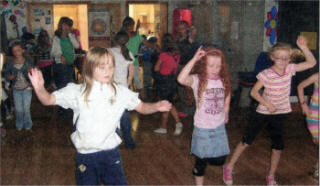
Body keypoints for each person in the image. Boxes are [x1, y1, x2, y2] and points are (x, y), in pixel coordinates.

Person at [28, 46, 172, 185]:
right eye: (102, 67)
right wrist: (40, 89)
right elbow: (48, 100)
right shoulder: (77, 92)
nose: (107, 71)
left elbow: (141, 107)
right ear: (90, 68)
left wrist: (156, 106)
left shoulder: (120, 92)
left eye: (110, 67)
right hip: (86, 156)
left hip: (111, 154)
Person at [223, 36, 317, 186]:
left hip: (280, 112)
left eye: (286, 59)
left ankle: (271, 176)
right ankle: (229, 167)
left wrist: (304, 47)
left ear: (290, 59)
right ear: (272, 58)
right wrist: (267, 103)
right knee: (247, 141)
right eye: (279, 58)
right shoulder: (266, 74)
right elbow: (253, 92)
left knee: (277, 146)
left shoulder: (290, 69)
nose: (283, 62)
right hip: (263, 112)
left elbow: (312, 63)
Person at [177, 46, 232, 185]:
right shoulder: (197, 80)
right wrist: (195, 59)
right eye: (211, 65)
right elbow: (181, 79)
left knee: (220, 160)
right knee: (201, 160)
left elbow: (227, 93)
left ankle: (202, 158)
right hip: (203, 127)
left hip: (219, 127)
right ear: (203, 65)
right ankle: (198, 173)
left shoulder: (223, 80)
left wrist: (226, 110)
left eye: (218, 66)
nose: (215, 69)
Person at [108, 31, 136, 149]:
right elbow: (131, 72)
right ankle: (129, 142)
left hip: (109, 88)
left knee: (109, 115)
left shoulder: (109, 52)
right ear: (127, 41)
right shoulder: (128, 53)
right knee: (124, 115)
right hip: (123, 88)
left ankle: (112, 141)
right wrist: (127, 85)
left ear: (114, 39)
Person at [153, 33, 182, 135]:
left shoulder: (163, 55)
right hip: (172, 80)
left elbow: (156, 68)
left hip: (164, 81)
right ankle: (178, 123)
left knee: (165, 104)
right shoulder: (177, 54)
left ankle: (164, 127)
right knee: (170, 103)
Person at [51, 17, 79, 118]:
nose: (68, 27)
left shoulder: (70, 36)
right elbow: (54, 52)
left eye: (70, 25)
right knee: (62, 87)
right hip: (60, 66)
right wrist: (60, 55)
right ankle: (63, 110)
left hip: (70, 65)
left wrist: (71, 35)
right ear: (62, 25)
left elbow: (76, 46)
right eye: (66, 25)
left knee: (70, 87)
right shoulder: (56, 38)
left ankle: (67, 109)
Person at [4, 42, 34, 131]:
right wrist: (9, 77)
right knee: (18, 109)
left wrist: (31, 72)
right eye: (14, 51)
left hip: (27, 88)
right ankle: (19, 123)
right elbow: (6, 74)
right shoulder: (10, 62)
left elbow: (34, 72)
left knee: (26, 108)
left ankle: (28, 123)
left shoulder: (28, 61)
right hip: (16, 89)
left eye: (18, 50)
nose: (16, 52)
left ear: (22, 50)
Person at [297, 72, 319, 178]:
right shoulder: (317, 76)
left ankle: (317, 167)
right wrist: (303, 104)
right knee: (317, 140)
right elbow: (300, 86)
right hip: (315, 115)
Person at [176, 20, 197, 118]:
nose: (180, 30)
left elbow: (194, 31)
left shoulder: (190, 39)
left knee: (188, 90)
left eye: (183, 28)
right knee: (181, 88)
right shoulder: (178, 39)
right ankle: (185, 109)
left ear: (187, 29)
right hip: (179, 65)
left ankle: (189, 110)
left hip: (188, 67)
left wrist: (190, 28)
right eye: (179, 28)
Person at [121, 17, 145, 91]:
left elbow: (147, 43)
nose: (132, 27)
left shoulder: (136, 36)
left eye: (133, 25)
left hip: (134, 61)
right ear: (125, 26)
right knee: (125, 80)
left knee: (137, 80)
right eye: (130, 25)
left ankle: (140, 98)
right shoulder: (122, 36)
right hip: (124, 61)